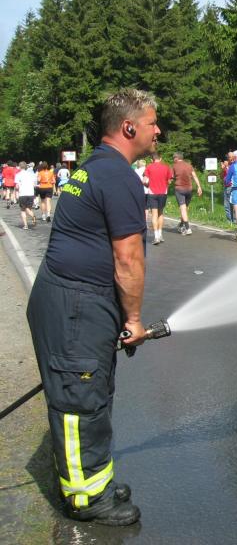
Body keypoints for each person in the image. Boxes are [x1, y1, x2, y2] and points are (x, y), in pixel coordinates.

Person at [26, 88, 159, 526]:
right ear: (129, 127)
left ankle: (95, 480)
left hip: (76, 301)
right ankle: (85, 498)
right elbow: (128, 258)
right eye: (152, 123)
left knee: (91, 394)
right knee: (79, 401)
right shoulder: (118, 177)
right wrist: (134, 319)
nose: (158, 130)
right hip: (76, 306)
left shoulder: (94, 168)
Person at [143, 151, 171, 245]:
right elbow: (169, 181)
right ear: (160, 158)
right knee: (161, 213)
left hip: (152, 193)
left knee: (154, 214)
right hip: (163, 192)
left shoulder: (149, 167)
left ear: (152, 159)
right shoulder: (166, 167)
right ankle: (160, 234)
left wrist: (147, 186)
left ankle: (156, 237)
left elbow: (144, 181)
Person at [171, 152, 203, 235]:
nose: (173, 160)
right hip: (189, 189)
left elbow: (171, 177)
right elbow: (194, 176)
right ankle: (181, 224)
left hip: (179, 189)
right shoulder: (189, 165)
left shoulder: (174, 166)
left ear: (176, 158)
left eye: (173, 158)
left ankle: (188, 228)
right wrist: (199, 187)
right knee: (185, 208)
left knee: (182, 208)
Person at [14, 161, 37, 229]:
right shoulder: (31, 174)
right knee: (28, 208)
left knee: (23, 210)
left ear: (19, 167)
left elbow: (17, 186)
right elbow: (34, 184)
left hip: (22, 193)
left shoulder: (18, 175)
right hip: (31, 193)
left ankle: (26, 225)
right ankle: (32, 216)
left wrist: (16, 194)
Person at [221, 151, 234, 223]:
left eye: (232, 157)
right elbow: (221, 176)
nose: (231, 158)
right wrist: (223, 169)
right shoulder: (226, 165)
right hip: (226, 186)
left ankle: (234, 220)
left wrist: (226, 167)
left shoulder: (234, 165)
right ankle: (229, 220)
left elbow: (232, 174)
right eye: (229, 157)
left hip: (232, 186)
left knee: (233, 204)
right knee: (227, 204)